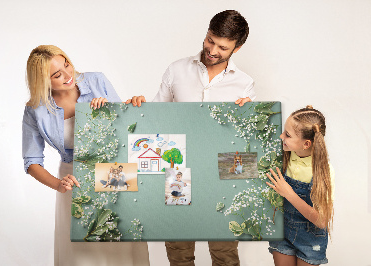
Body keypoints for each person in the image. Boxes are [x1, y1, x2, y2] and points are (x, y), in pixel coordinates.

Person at [128, 9, 254, 266]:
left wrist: (248, 118)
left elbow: (246, 142)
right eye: (210, 40)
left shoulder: (245, 84)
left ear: (236, 49)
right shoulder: (176, 70)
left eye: (222, 47)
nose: (212, 50)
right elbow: (154, 118)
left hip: (221, 172)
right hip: (178, 170)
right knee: (179, 250)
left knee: (225, 251)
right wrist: (138, 106)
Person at [22, 45, 149, 266]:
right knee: (83, 251)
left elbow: (126, 129)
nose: (68, 75)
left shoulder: (96, 81)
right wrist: (58, 184)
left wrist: (119, 108)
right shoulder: (36, 109)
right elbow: (32, 162)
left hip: (114, 170)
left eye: (67, 65)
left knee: (122, 241)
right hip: (73, 179)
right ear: (42, 81)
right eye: (57, 74)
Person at [266, 105, 334, 266]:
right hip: (282, 233)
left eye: (288, 135)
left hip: (311, 239)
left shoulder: (324, 171)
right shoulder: (284, 156)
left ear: (306, 144)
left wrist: (289, 194)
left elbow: (322, 221)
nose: (282, 136)